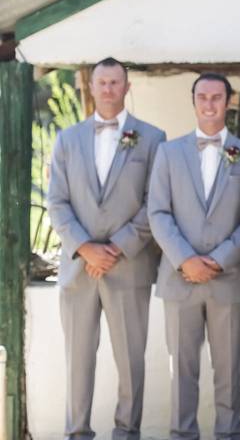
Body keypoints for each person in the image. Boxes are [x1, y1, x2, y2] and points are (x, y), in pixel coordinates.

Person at [48, 57, 166, 440]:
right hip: (79, 270)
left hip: (128, 267)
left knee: (131, 361)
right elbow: (57, 202)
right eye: (103, 82)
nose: (109, 89)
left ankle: (127, 432)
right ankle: (77, 432)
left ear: (127, 88)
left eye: (116, 83)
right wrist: (84, 247)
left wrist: (115, 247)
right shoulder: (67, 140)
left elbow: (156, 202)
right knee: (78, 360)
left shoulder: (153, 138)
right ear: (92, 86)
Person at [148, 73, 240, 439]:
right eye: (202, 97)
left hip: (227, 281)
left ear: (228, 102)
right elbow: (158, 212)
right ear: (193, 101)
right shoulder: (168, 152)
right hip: (179, 280)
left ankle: (229, 435)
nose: (209, 104)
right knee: (182, 371)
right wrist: (185, 259)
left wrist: (220, 259)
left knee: (228, 373)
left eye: (216, 97)